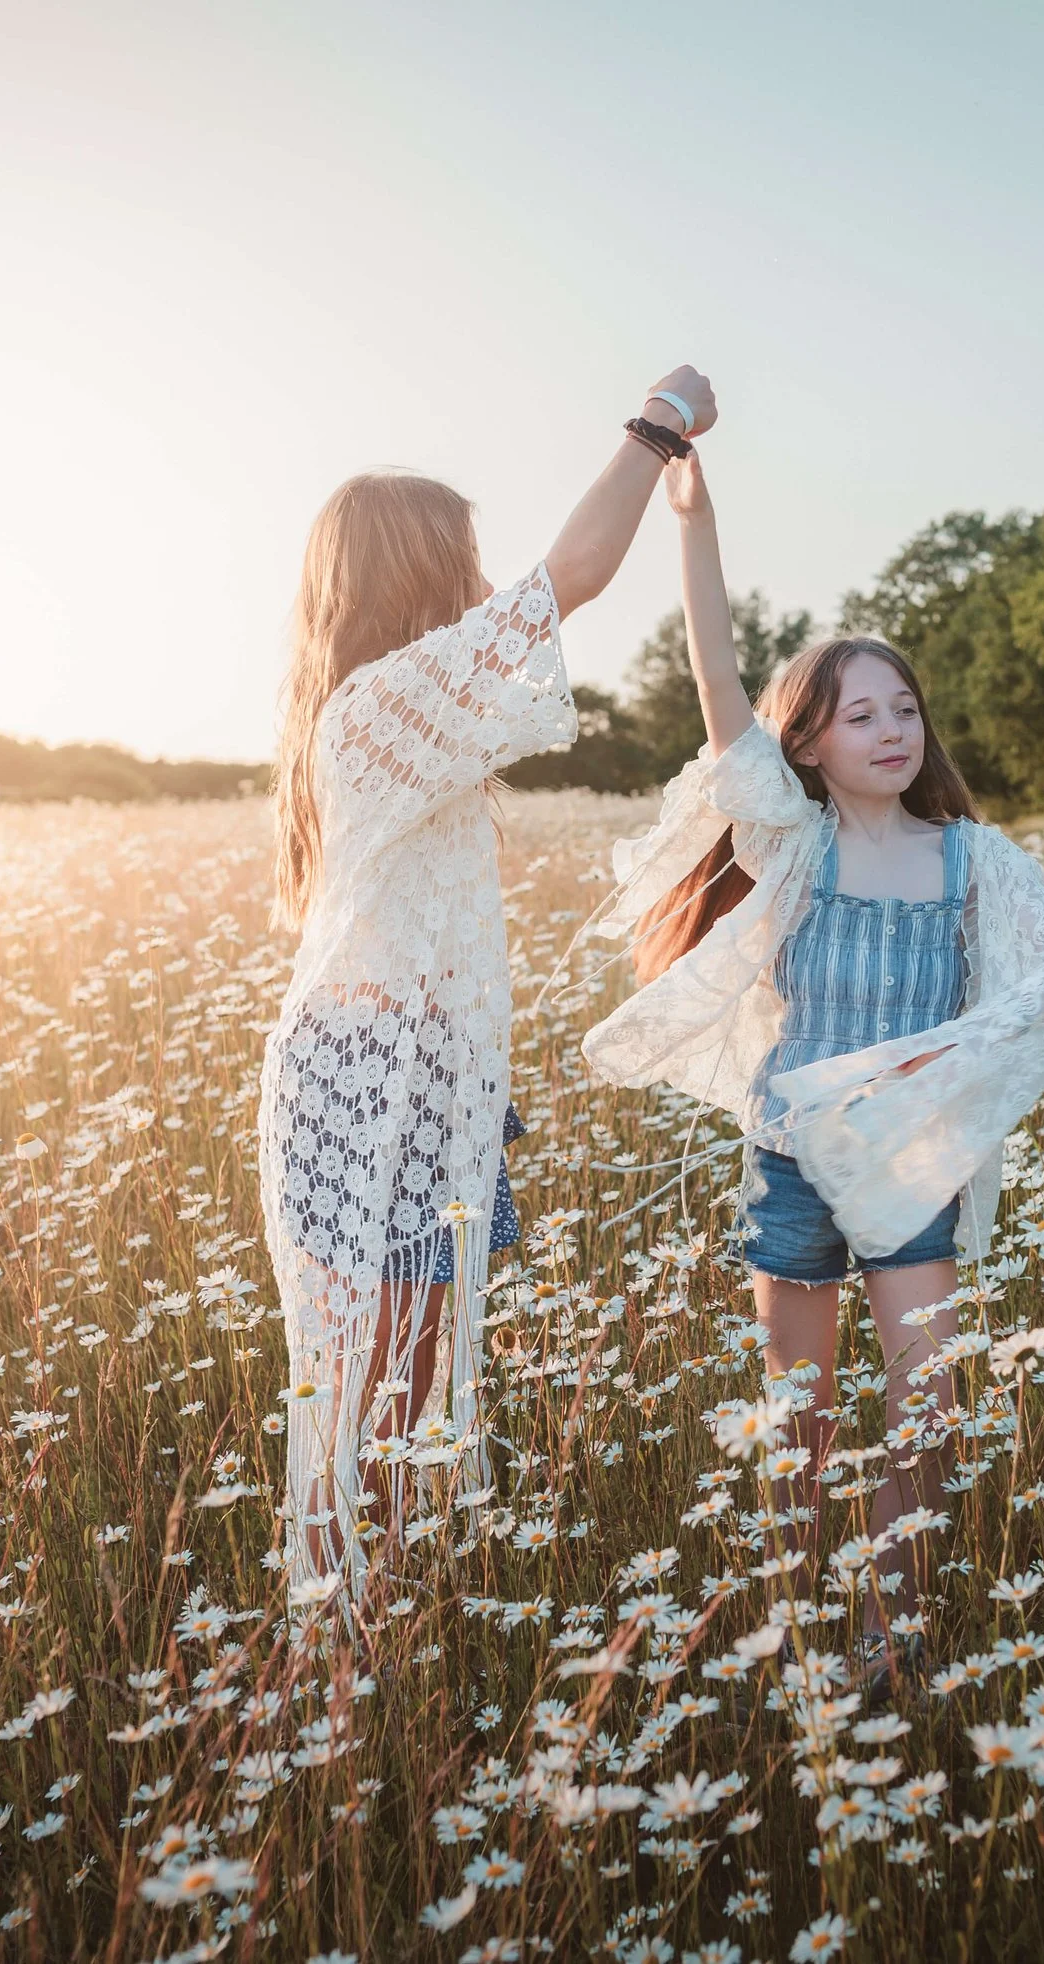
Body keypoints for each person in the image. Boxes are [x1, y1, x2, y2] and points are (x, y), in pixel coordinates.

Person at [581, 448, 1044, 1682]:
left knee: (926, 1407)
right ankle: (782, 1637)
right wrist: (693, 524)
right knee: (798, 1420)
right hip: (792, 1163)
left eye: (904, 709)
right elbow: (718, 679)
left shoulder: (972, 859)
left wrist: (949, 1064)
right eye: (858, 714)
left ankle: (883, 1638)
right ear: (807, 743)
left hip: (910, 1161)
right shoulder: (791, 842)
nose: (889, 730)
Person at [262, 366, 719, 1587]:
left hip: (414, 1075)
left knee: (409, 1381)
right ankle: (338, 1651)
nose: (479, 585)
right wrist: (653, 427)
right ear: (413, 574)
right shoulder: (376, 709)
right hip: (375, 1081)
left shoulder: (378, 712)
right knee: (360, 1387)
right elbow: (569, 577)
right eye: (459, 562)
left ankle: (395, 1613)